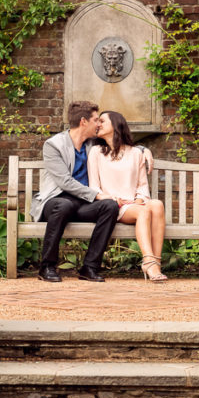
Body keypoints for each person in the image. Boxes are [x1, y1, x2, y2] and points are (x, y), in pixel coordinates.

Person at [29, 101, 120, 283]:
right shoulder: (53, 145)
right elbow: (64, 182)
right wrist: (96, 195)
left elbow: (120, 142)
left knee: (109, 206)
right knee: (64, 205)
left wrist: (142, 150)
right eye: (96, 120)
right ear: (84, 121)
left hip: (81, 204)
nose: (99, 124)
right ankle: (47, 266)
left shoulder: (93, 143)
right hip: (55, 200)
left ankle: (90, 267)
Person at [88, 110, 166, 282]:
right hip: (112, 205)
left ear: (116, 125)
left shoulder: (136, 153)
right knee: (143, 212)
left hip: (133, 204)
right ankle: (148, 261)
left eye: (102, 121)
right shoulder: (96, 152)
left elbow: (142, 186)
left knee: (157, 205)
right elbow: (94, 186)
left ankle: (155, 265)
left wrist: (138, 200)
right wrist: (110, 198)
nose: (98, 124)